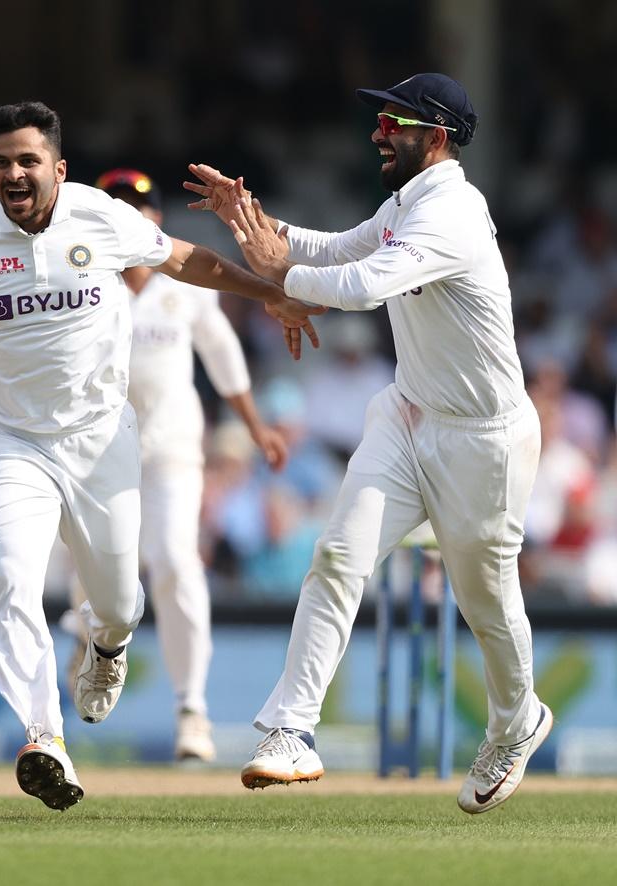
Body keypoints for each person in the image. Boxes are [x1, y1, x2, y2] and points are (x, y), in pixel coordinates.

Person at [0, 102, 321, 810]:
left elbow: (185, 258)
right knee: (12, 577)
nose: (14, 174)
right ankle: (44, 738)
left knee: (120, 603)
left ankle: (107, 645)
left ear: (57, 169)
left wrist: (270, 293)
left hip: (99, 441)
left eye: (28, 161)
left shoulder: (101, 217)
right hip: (6, 440)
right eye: (2, 162)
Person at [187, 73, 551, 814]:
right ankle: (289, 730)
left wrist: (282, 280)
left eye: (396, 123)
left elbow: (364, 283)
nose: (379, 133)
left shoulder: (452, 212)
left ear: (437, 139)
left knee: (485, 603)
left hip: (483, 438)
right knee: (337, 558)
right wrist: (254, 222)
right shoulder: (404, 203)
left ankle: (517, 722)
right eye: (382, 121)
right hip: (407, 414)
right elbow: (335, 248)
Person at [64, 168, 289, 762]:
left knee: (175, 564)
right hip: (98, 452)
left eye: (140, 208)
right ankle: (83, 631)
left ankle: (192, 710)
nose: (130, 217)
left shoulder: (182, 285)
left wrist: (255, 424)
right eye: (116, 208)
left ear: (157, 220)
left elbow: (219, 349)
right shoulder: (80, 276)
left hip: (170, 449)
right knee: (99, 571)